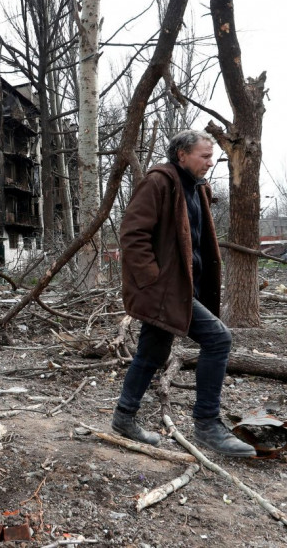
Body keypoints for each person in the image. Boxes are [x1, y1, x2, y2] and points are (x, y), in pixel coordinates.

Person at [110, 130, 255, 457]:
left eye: (211, 155)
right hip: (165, 290)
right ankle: (206, 425)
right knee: (218, 339)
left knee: (152, 352)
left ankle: (124, 417)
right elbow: (132, 234)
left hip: (183, 288)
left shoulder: (196, 187)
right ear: (182, 155)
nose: (210, 161)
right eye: (204, 156)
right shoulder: (158, 182)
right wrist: (152, 281)